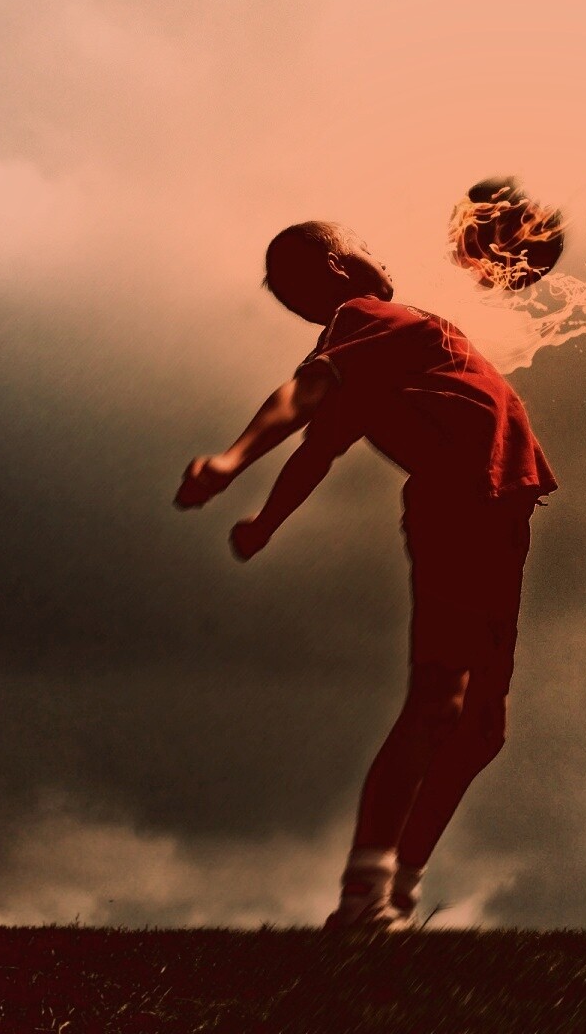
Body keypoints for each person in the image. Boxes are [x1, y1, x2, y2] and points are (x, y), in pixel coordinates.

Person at [175, 219, 557, 931]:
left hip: (498, 513)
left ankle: (396, 889)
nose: (379, 252)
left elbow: (316, 451)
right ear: (337, 266)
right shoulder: (364, 317)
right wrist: (231, 460)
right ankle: (364, 899)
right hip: (459, 509)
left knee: (482, 727)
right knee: (440, 703)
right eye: (364, 246)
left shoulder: (374, 356)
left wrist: (265, 522)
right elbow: (301, 397)